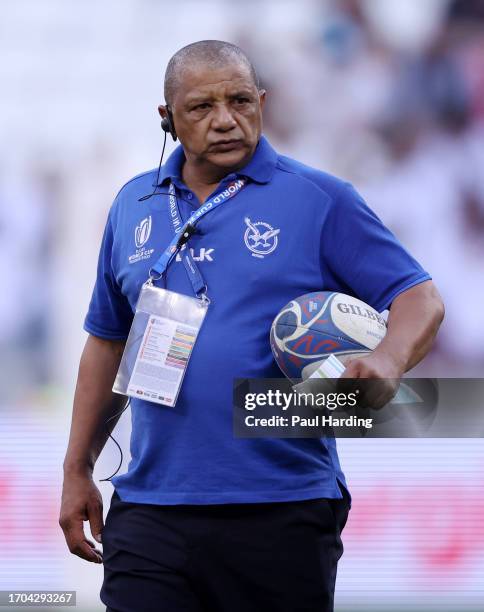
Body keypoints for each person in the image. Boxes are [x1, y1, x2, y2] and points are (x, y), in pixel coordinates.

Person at [59, 40, 444, 612]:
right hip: (151, 507)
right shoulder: (132, 205)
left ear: (262, 102)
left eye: (240, 101)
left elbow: (420, 297)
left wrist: (388, 358)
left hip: (280, 507)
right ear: (167, 118)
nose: (225, 120)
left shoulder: (320, 199)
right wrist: (77, 469)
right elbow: (108, 343)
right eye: (201, 107)